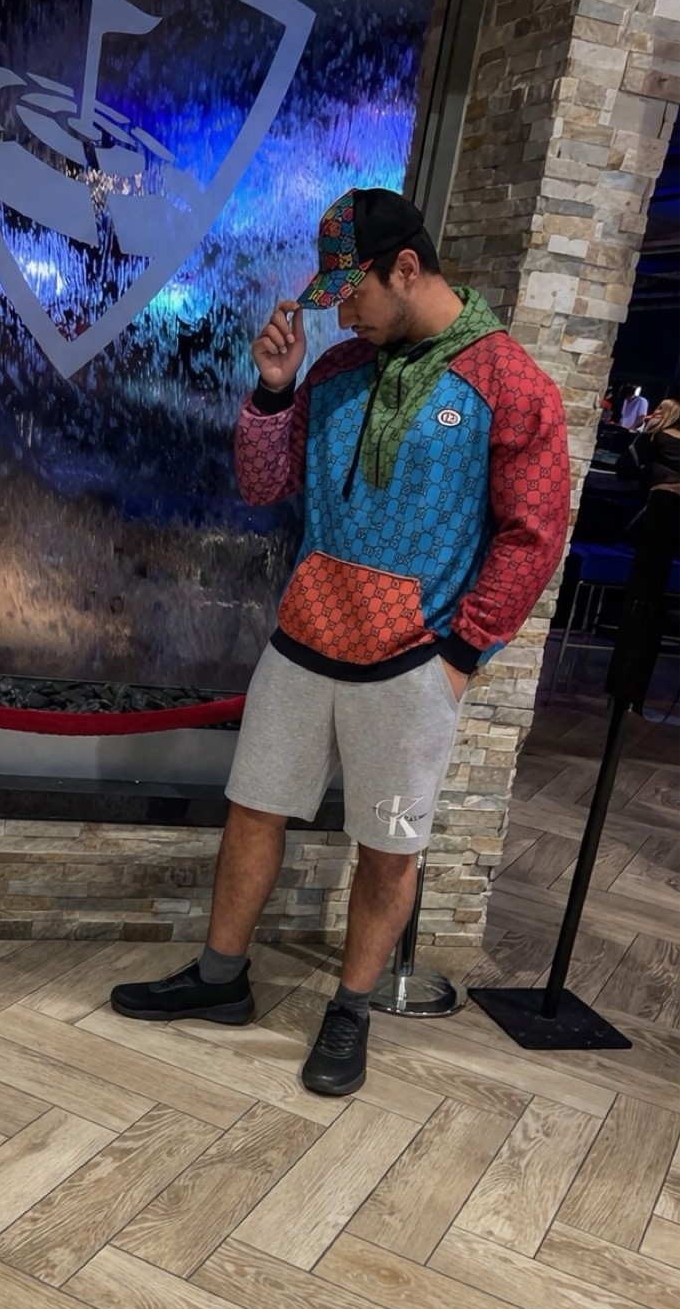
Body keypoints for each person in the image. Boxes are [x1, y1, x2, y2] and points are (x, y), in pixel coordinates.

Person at [111, 187, 571, 1096]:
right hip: (301, 642)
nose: (341, 313)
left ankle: (350, 1008)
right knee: (253, 809)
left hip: (411, 662)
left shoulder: (510, 384)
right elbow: (262, 486)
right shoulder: (335, 369)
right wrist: (272, 388)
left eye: (351, 292)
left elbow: (533, 534)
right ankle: (220, 978)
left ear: (404, 268)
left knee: (388, 846)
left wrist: (461, 654)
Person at [617, 397, 680, 495]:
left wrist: (649, 426)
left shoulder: (654, 435)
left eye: (660, 408)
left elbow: (626, 464)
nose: (656, 411)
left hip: (656, 491)